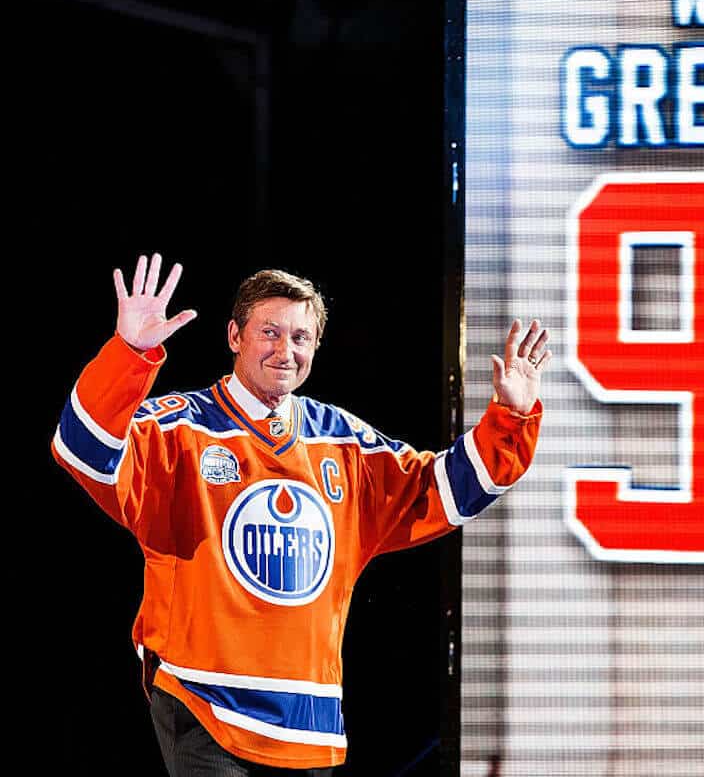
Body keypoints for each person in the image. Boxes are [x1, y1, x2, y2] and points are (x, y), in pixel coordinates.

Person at [51, 253, 549, 775]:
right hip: (202, 699)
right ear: (234, 336)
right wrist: (130, 354)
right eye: (269, 332)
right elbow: (82, 448)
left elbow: (444, 490)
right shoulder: (180, 430)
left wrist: (510, 418)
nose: (284, 351)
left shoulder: (343, 441)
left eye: (300, 338)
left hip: (308, 718)